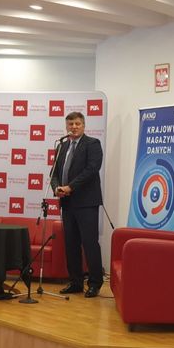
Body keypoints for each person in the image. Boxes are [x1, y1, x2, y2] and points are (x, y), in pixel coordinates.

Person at [51, 112, 104, 298]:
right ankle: (75, 282)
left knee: (89, 243)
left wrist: (70, 187)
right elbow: (54, 173)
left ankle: (95, 283)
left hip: (86, 203)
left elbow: (92, 170)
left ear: (83, 125)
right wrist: (57, 188)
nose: (74, 127)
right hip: (67, 203)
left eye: (77, 124)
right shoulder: (62, 146)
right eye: (70, 124)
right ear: (66, 126)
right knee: (71, 244)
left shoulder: (93, 144)